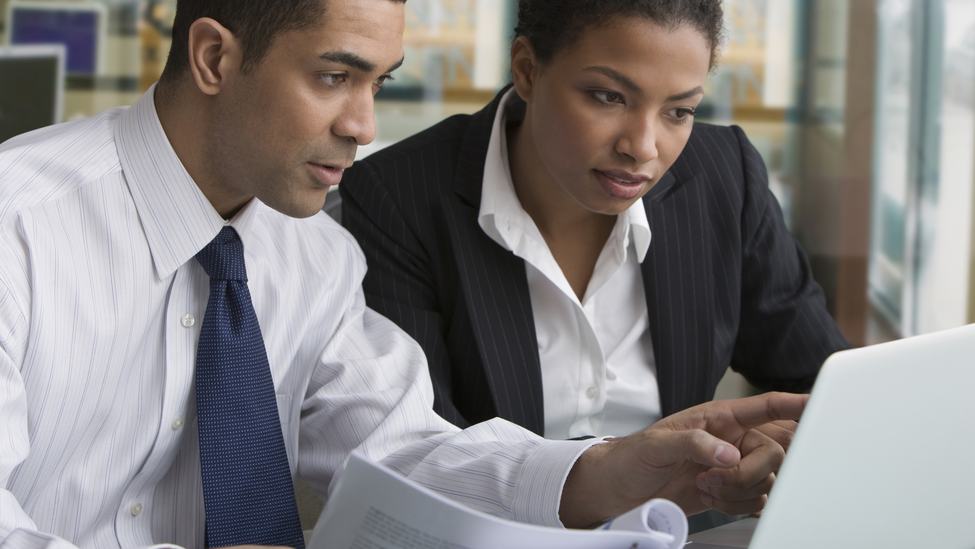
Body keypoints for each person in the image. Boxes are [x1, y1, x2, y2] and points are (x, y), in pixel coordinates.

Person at [0, 0, 807, 547]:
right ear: (214, 56)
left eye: (376, 84)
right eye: (332, 77)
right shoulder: (18, 225)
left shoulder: (311, 254)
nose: (363, 124)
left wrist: (605, 469)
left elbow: (402, 451)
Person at [340, 0, 850, 528]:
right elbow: (417, 458)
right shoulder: (396, 196)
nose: (642, 147)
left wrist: (767, 451)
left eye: (679, 110)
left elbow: (823, 389)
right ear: (527, 70)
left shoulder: (725, 176)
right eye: (608, 97)